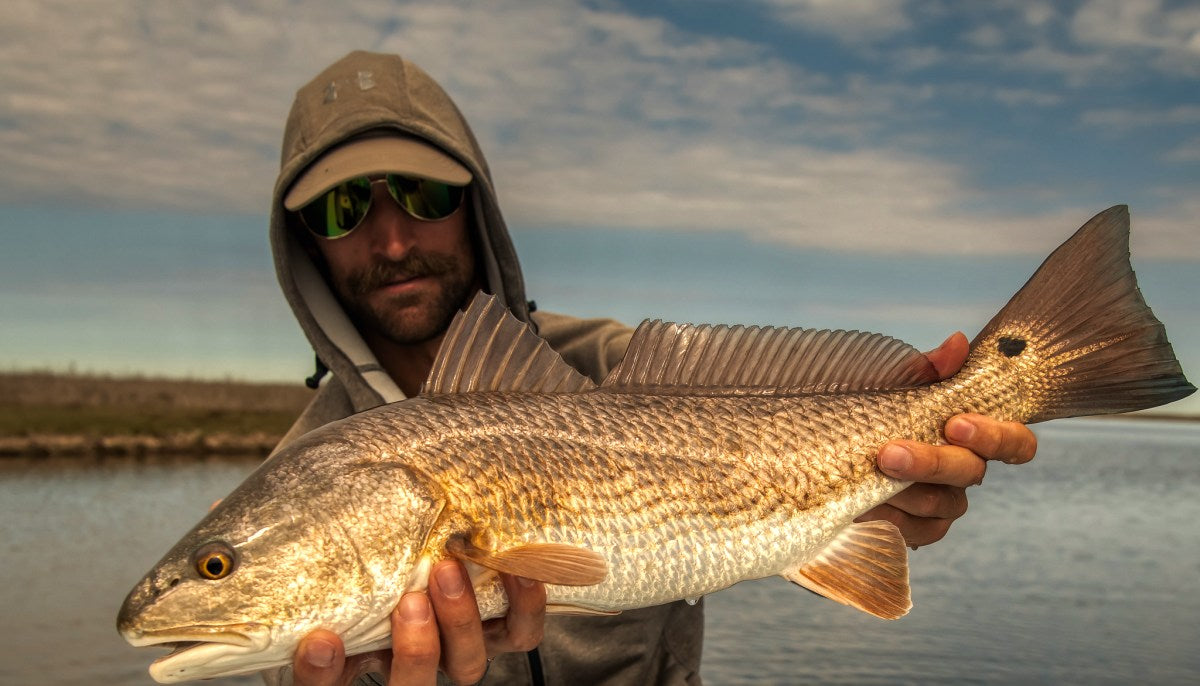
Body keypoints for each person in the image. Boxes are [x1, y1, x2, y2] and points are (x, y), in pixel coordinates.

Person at [267, 51, 1038, 686]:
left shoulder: (619, 369)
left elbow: (809, 482)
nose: (393, 240)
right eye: (342, 212)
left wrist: (901, 488)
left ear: (476, 205)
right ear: (306, 247)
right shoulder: (295, 479)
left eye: (424, 194)